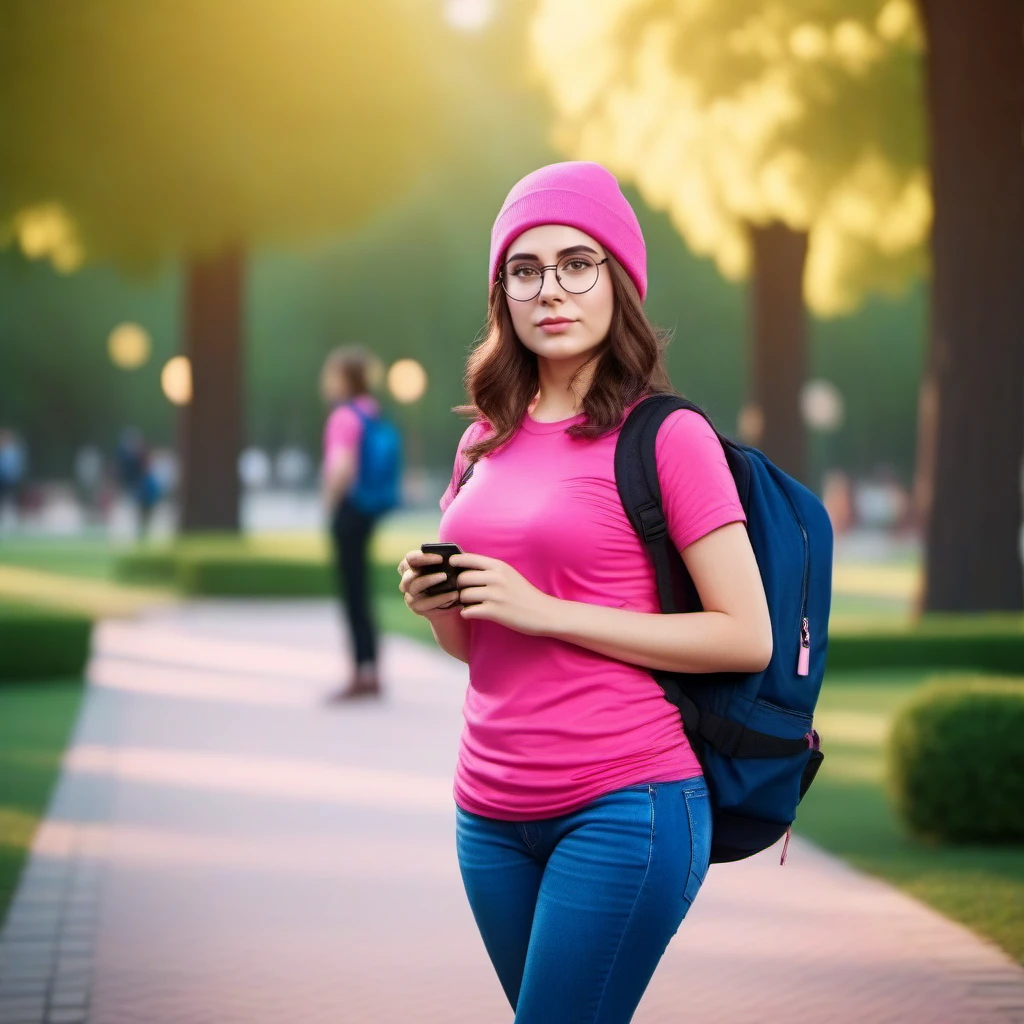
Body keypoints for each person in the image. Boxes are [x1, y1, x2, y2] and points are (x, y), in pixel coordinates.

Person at [396, 162, 773, 1023]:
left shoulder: (668, 437)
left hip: (625, 804)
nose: (550, 290)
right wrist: (441, 608)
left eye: (577, 263)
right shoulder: (481, 445)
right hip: (487, 815)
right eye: (524, 270)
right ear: (502, 294)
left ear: (619, 283)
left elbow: (744, 634)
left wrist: (545, 609)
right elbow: (476, 648)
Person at [321, 346, 387, 702]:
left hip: (348, 509)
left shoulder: (344, 417)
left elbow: (341, 467)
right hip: (368, 510)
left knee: (352, 593)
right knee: (362, 589)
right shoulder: (369, 412)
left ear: (344, 378)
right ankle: (371, 669)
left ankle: (359, 674)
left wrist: (329, 503)